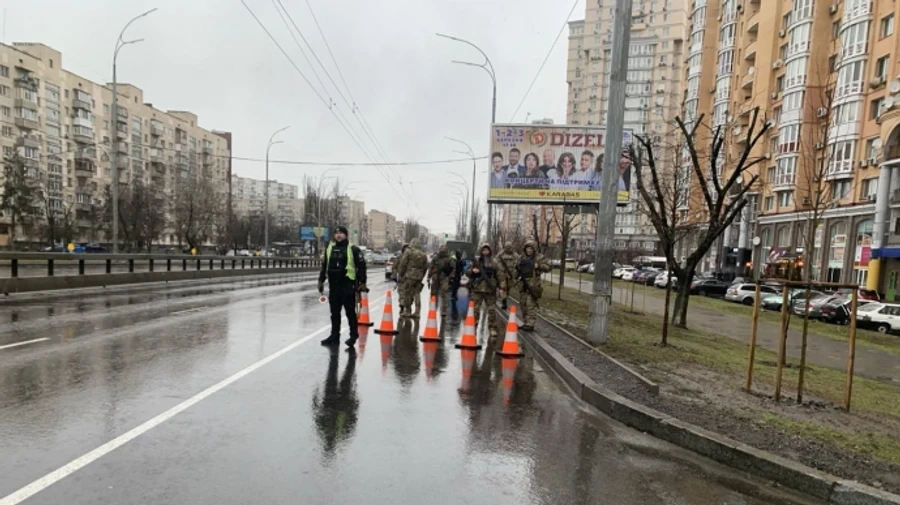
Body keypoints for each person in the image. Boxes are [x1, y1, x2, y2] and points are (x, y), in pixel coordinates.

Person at [318, 226, 367, 347]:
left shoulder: (353, 249)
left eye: (341, 233)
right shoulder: (329, 248)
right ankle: (334, 335)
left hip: (347, 285)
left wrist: (362, 283)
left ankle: (353, 335)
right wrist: (321, 281)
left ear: (345, 235)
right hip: (334, 286)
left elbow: (361, 266)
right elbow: (325, 266)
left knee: (350, 312)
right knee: (334, 313)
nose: (338, 235)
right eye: (336, 233)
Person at [466, 244, 503, 339]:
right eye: (484, 250)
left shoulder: (494, 262)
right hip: (477, 289)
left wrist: (501, 288)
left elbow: (500, 276)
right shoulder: (477, 261)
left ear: (489, 251)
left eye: (487, 250)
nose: (485, 252)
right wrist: (472, 271)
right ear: (481, 251)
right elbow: (467, 272)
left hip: (490, 290)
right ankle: (473, 327)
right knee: (475, 310)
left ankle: (492, 328)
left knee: (491, 310)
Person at [514, 241, 551, 331]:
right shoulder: (521, 258)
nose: (529, 250)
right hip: (523, 284)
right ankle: (526, 322)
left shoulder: (539, 257)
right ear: (525, 249)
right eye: (528, 248)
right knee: (523, 304)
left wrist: (539, 266)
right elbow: (516, 270)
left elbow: (548, 267)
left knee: (530, 304)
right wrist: (514, 280)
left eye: (531, 249)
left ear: (534, 249)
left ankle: (530, 324)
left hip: (533, 284)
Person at [396, 237, 428, 318]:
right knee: (417, 294)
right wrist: (422, 276)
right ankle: (417, 312)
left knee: (407, 293)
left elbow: (403, 264)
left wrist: (400, 274)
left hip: (409, 276)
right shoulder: (423, 254)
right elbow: (425, 267)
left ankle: (408, 311)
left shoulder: (408, 252)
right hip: (419, 276)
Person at [427, 244, 456, 319]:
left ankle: (444, 310)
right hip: (435, 278)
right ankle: (433, 307)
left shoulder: (449, 259)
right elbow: (431, 267)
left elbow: (453, 269)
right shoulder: (436, 258)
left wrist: (449, 277)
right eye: (441, 250)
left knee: (444, 294)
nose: (442, 251)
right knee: (433, 294)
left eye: (444, 250)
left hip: (444, 279)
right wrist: (428, 276)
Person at [496, 242, 518, 310]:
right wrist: (502, 268)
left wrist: (513, 269)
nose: (508, 249)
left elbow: (518, 262)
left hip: (511, 274)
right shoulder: (501, 254)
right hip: (503, 274)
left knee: (508, 288)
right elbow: (496, 261)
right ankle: (504, 302)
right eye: (507, 247)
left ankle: (505, 298)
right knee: (503, 288)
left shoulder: (515, 254)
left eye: (509, 247)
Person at [449, 249, 465, 319]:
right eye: (459, 254)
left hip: (458, 275)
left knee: (457, 285)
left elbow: (462, 266)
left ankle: (455, 294)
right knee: (455, 285)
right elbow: (453, 267)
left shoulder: (460, 260)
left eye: (460, 254)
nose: (460, 255)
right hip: (455, 275)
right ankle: (453, 295)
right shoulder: (454, 259)